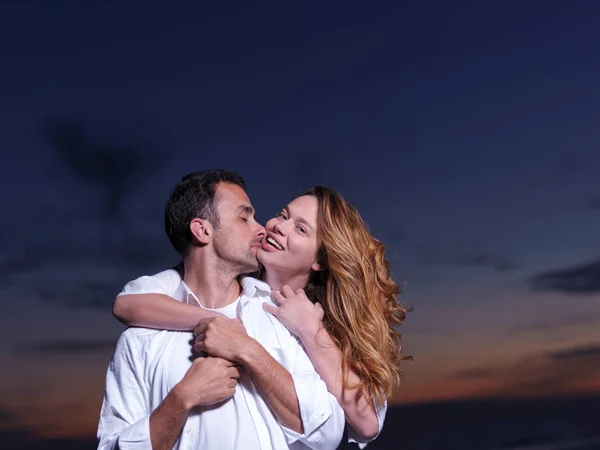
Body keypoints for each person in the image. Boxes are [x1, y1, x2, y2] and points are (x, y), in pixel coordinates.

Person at [113, 182, 410, 447]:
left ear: (319, 260)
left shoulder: (314, 325)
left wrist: (311, 331)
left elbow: (365, 424)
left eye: (301, 228)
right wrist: (218, 320)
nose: (277, 226)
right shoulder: (225, 278)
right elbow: (127, 304)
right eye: (283, 215)